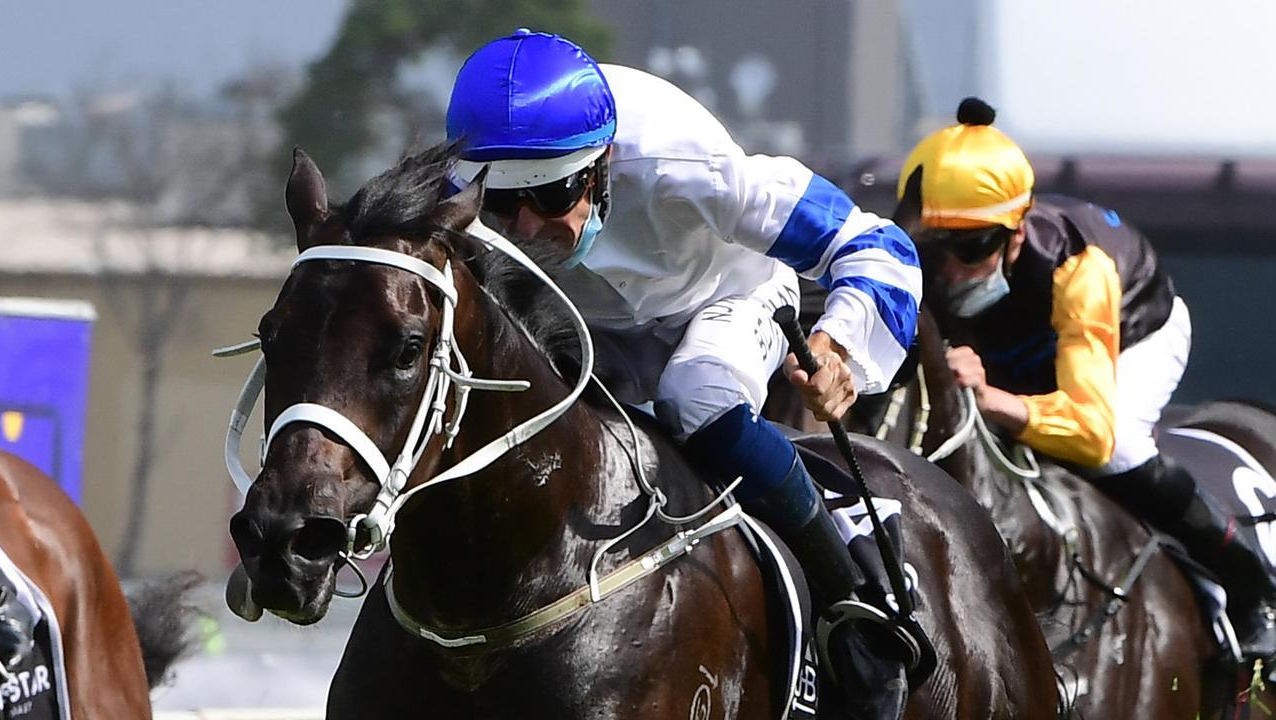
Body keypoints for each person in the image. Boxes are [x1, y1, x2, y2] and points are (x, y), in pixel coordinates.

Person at [446, 29, 926, 718]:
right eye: (498, 205)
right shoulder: (454, 186)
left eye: (551, 196)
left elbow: (875, 243)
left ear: (602, 164)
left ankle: (849, 585)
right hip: (586, 327)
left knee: (695, 396)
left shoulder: (683, 161)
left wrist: (841, 346)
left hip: (726, 298)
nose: (524, 229)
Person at [899, 96, 1276, 659]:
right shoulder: (916, 255)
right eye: (935, 246)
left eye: (972, 246)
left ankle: (1254, 592)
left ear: (1017, 233)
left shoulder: (1080, 269)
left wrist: (991, 399)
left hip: (1132, 331)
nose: (949, 269)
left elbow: (1090, 430)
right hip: (1022, 349)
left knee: (1118, 448)